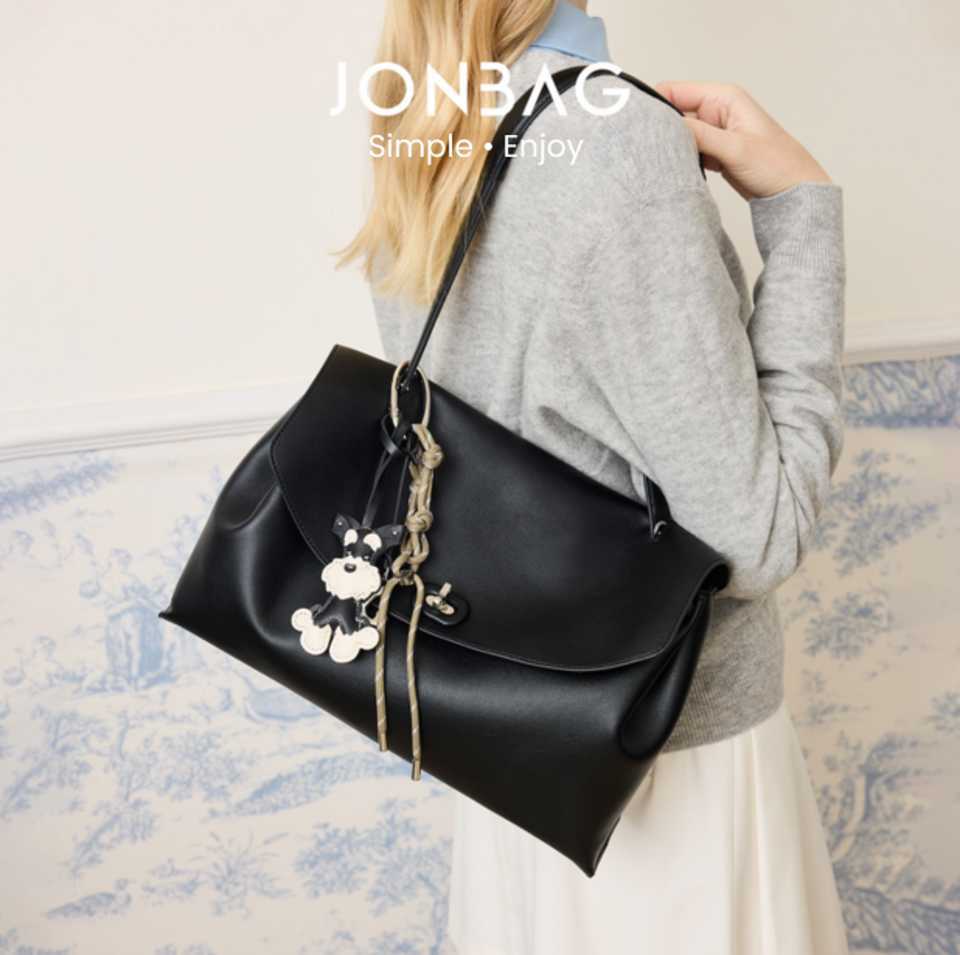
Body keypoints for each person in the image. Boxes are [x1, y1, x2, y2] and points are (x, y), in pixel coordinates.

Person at [338, 1, 850, 953]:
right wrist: (802, 206)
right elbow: (758, 537)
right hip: (671, 787)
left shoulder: (425, 113)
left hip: (513, 764)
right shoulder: (611, 139)